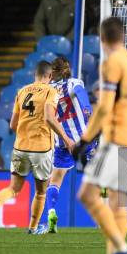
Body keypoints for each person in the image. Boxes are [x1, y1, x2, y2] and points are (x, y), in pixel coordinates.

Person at [71, 17, 127, 254]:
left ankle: (122, 250)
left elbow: (104, 106)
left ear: (101, 38)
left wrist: (84, 139)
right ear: (122, 37)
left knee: (88, 195)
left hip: (118, 138)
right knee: (118, 204)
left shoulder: (111, 62)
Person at [0, 61, 74, 235]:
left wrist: (26, 132)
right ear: (50, 76)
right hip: (41, 149)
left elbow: (13, 124)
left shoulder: (22, 92)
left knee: (13, 188)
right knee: (40, 192)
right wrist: (67, 140)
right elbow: (50, 118)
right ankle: (33, 228)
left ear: (34, 75)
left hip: (20, 147)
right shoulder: (51, 91)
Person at [45, 57, 93, 234]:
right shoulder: (74, 83)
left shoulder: (49, 90)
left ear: (53, 72)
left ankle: (51, 212)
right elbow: (83, 98)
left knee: (55, 179)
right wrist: (88, 110)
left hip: (62, 141)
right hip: (83, 137)